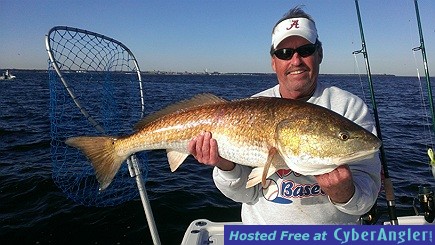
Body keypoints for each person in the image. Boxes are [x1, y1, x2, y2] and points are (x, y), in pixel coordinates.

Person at [188, 6, 381, 224]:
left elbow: (366, 200)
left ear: (320, 54)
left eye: (306, 50)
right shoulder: (253, 106)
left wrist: (345, 193)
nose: (296, 60)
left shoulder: (348, 107)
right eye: (285, 53)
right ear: (273, 61)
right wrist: (226, 166)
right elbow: (245, 195)